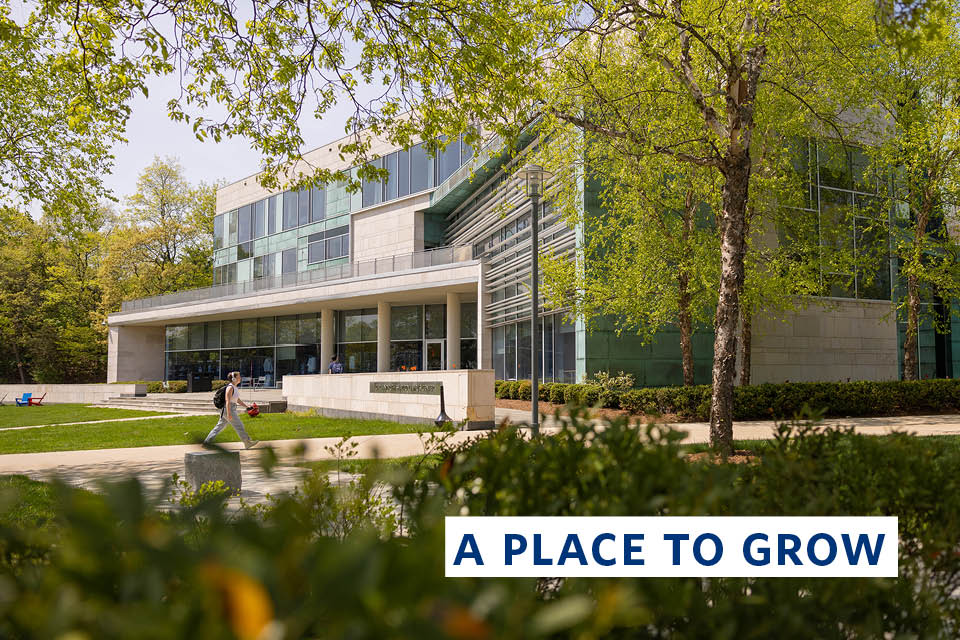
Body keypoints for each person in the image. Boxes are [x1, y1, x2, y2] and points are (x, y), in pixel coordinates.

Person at [205, 371, 260, 449]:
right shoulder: (230, 387)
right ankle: (247, 442)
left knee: (219, 427)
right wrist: (229, 413)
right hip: (228, 408)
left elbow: (237, 400)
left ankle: (206, 442)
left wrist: (246, 406)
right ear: (234, 379)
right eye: (239, 377)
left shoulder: (234, 387)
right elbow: (227, 401)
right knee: (239, 425)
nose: (240, 378)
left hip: (230, 408)